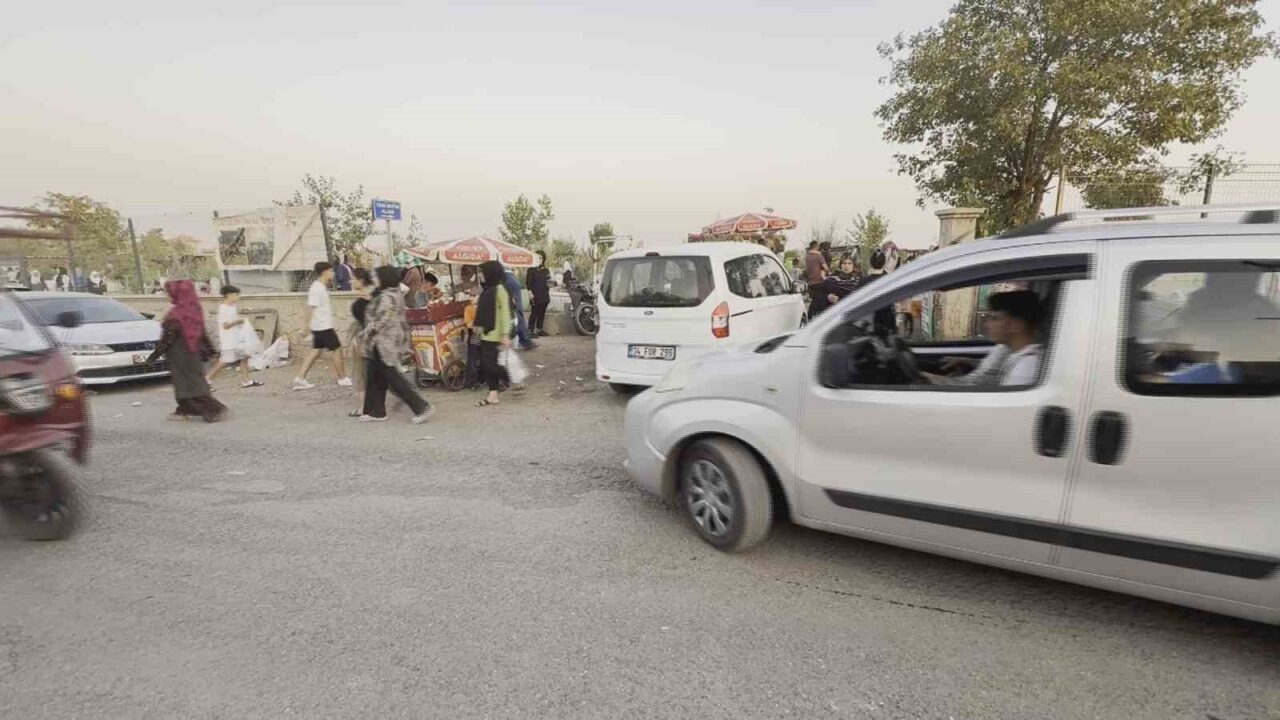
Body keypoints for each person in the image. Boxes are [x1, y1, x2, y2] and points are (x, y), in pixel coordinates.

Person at [357, 265, 433, 424]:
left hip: (384, 342)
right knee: (374, 376)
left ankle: (422, 407)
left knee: (392, 378)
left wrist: (364, 335)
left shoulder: (388, 297)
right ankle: (375, 411)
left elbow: (380, 321)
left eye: (377, 277)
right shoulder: (391, 294)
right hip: (382, 342)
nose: (375, 280)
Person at [145, 280, 228, 422]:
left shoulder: (175, 315)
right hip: (193, 354)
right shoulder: (194, 309)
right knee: (190, 383)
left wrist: (153, 357)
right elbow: (202, 333)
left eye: (169, 292)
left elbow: (167, 340)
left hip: (179, 356)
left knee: (188, 385)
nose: (167, 295)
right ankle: (183, 410)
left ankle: (213, 409)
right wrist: (212, 351)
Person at [925, 290, 1043, 387]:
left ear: (1016, 324)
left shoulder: (1026, 366)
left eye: (995, 318)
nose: (987, 325)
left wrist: (928, 378)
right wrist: (968, 361)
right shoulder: (1016, 355)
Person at [293, 261, 352, 390]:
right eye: (332, 271)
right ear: (325, 272)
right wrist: (305, 327)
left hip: (320, 325)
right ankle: (342, 378)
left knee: (316, 351)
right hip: (322, 326)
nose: (334, 273)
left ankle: (300, 378)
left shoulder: (320, 286)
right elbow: (309, 308)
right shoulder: (317, 288)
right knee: (336, 349)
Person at [206, 285, 264, 388]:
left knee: (244, 357)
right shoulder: (224, 308)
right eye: (236, 295)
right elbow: (225, 326)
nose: (238, 297)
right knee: (225, 361)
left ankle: (246, 381)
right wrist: (238, 321)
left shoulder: (232, 307)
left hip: (236, 339)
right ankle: (207, 379)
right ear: (229, 295)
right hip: (229, 340)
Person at [475, 260, 513, 407]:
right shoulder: (487, 290)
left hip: (497, 334)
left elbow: (505, 313)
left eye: (483, 273)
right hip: (486, 333)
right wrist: (478, 327)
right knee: (487, 365)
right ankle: (493, 395)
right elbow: (483, 311)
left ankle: (510, 377)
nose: (481, 276)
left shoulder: (500, 290)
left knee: (489, 365)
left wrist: (505, 334)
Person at [502, 265, 535, 350]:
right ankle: (525, 340)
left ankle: (524, 340)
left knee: (515, 312)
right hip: (510, 277)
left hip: (506, 277)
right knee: (517, 311)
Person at [525, 253, 551, 337]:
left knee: (542, 312)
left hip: (544, 294)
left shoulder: (546, 270)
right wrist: (530, 292)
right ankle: (530, 331)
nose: (539, 260)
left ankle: (539, 329)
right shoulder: (531, 270)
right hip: (535, 294)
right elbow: (528, 283)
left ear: (543, 259)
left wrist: (553, 283)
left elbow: (549, 281)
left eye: (541, 258)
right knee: (534, 312)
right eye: (537, 258)